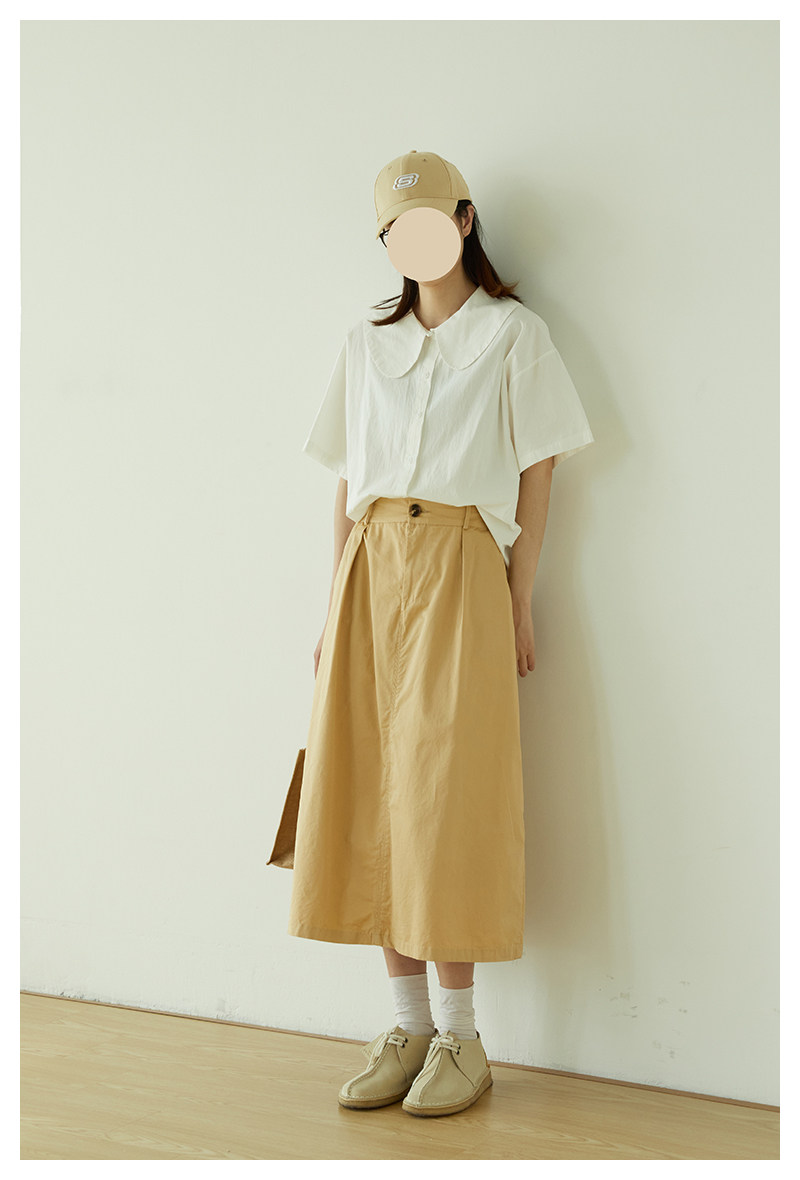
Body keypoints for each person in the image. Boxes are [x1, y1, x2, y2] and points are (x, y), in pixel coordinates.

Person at [287, 150, 595, 1117]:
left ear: (463, 221)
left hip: (463, 561)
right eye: (395, 231)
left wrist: (519, 593)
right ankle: (408, 1025)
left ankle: (464, 1037)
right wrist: (332, 605)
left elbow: (541, 467)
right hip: (371, 563)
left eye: (429, 222)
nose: (413, 243)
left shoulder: (513, 334)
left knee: (444, 794)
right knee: (373, 785)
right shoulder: (364, 342)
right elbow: (349, 481)